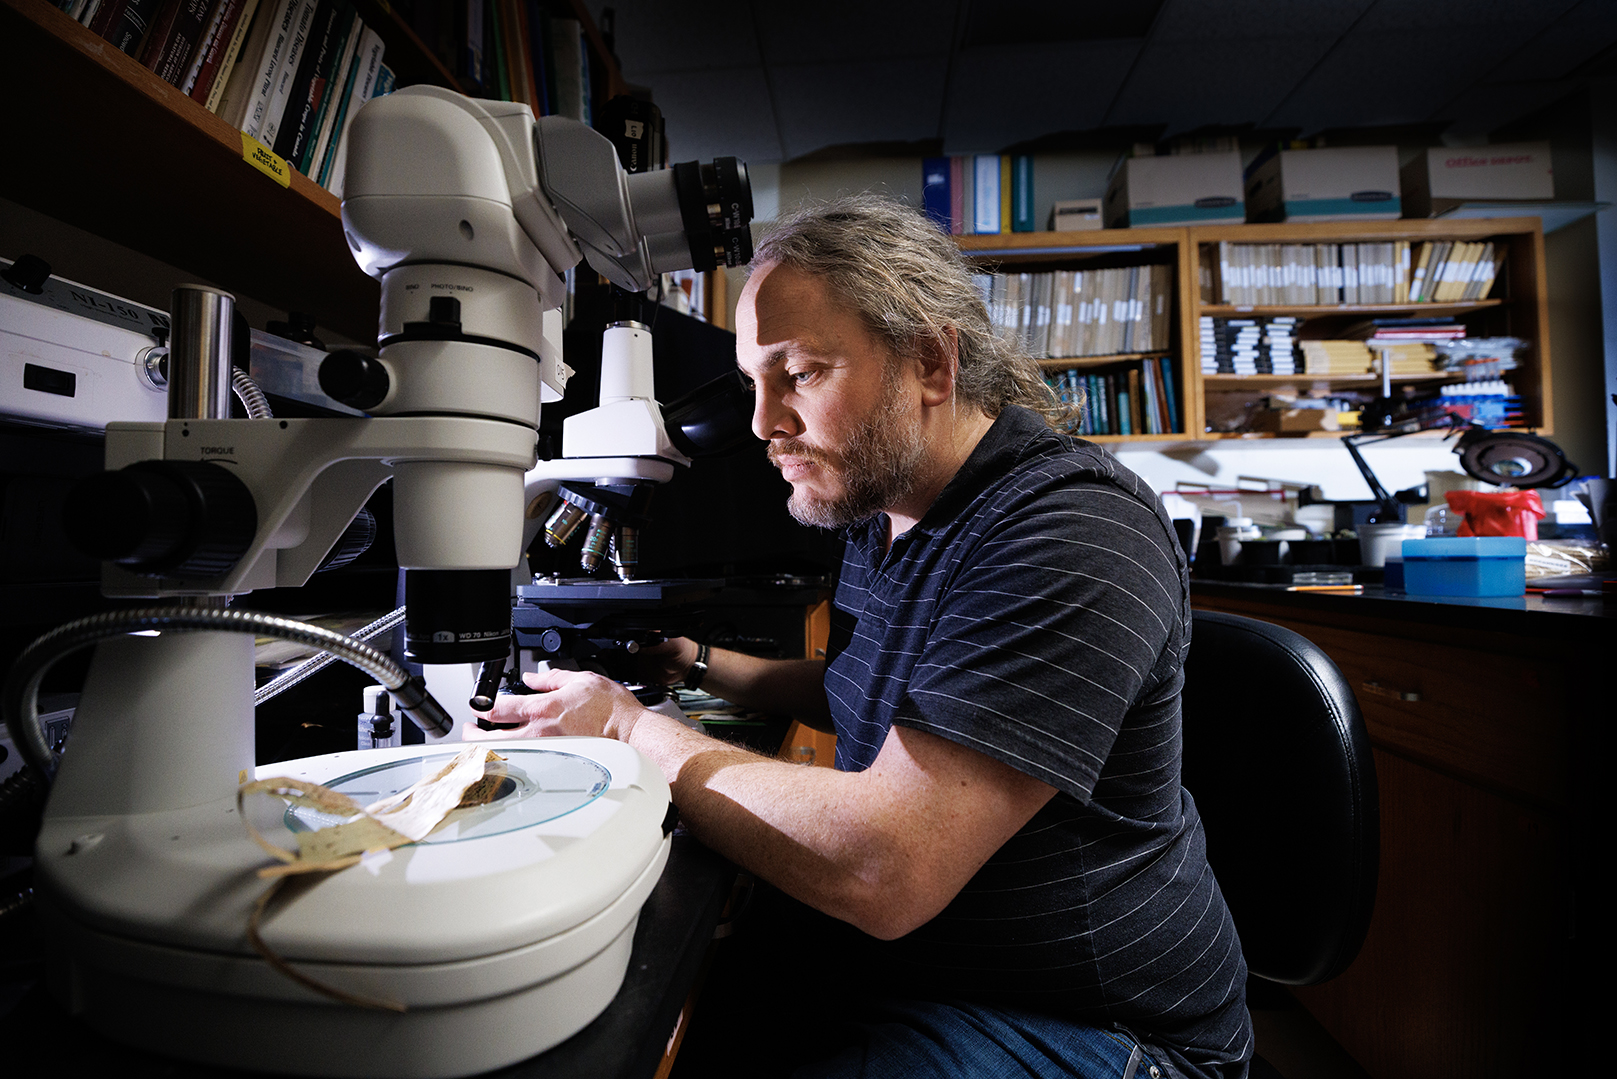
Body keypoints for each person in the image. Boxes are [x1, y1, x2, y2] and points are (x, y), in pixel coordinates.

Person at [474, 195, 1252, 1079]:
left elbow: (887, 868)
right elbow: (870, 687)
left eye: (798, 373)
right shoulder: (881, 513)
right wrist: (697, 665)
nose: (764, 423)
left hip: (1098, 1031)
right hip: (932, 972)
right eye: (753, 383)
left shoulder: (1068, 530)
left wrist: (628, 726)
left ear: (929, 360)